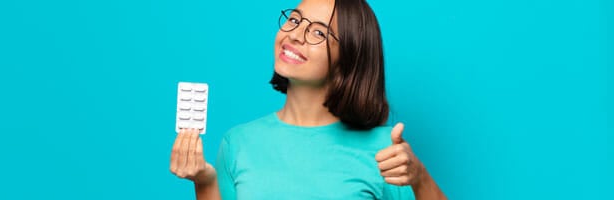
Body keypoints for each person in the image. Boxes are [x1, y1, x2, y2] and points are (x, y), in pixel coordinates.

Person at [170, 0, 447, 199]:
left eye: (318, 32)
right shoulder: (238, 142)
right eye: (294, 20)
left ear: (349, 58)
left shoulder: (386, 151)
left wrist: (419, 177)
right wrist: (204, 183)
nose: (295, 35)